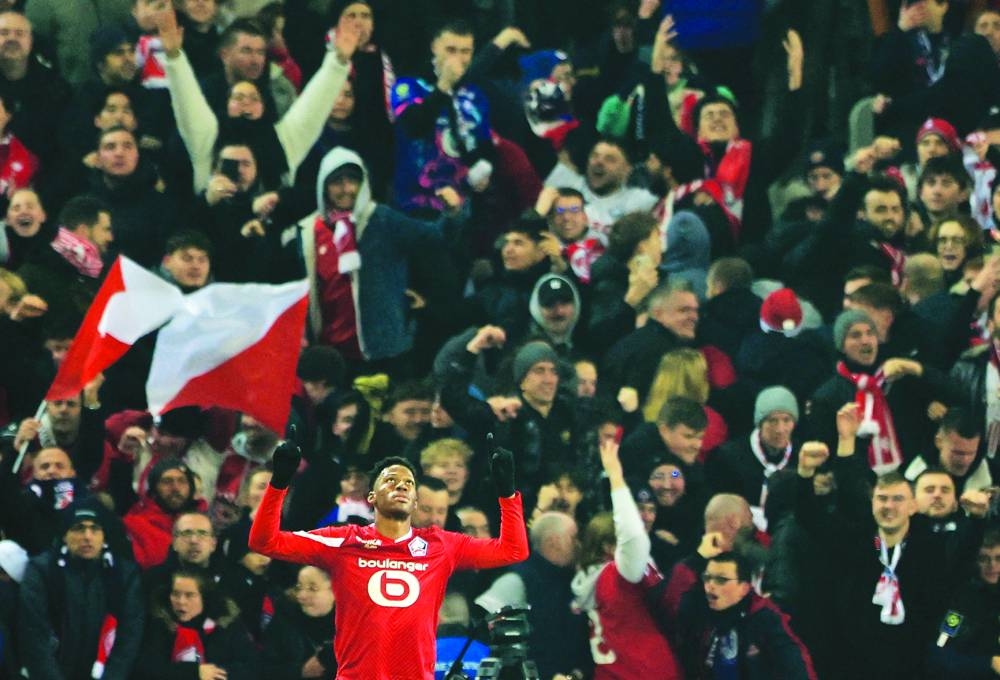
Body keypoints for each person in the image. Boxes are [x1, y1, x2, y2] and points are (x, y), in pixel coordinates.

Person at [248, 440, 528, 680]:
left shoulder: (441, 545)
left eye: (408, 483)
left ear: (415, 500)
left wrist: (508, 494)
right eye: (390, 480)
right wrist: (279, 484)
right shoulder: (344, 540)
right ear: (372, 496)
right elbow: (264, 541)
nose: (401, 486)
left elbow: (514, 550)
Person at [570, 438, 681, 678]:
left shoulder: (590, 579)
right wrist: (616, 479)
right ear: (610, 546)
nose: (646, 518)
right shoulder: (616, 574)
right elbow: (633, 537)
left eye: (651, 510)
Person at [18, 499, 144, 680]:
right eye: (78, 528)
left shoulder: (124, 574)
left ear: (104, 536)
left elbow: (129, 638)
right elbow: (34, 636)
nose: (87, 536)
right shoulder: (42, 571)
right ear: (64, 535)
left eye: (95, 529)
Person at [675, 550, 817, 679]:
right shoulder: (697, 611)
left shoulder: (765, 618)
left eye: (721, 580)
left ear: (744, 588)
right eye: (707, 578)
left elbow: (795, 665)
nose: (710, 585)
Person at [138, 567, 259, 680]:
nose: (181, 601)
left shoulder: (226, 624)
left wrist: (215, 674)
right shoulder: (160, 623)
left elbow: (250, 666)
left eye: (190, 595)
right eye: (175, 594)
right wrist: (195, 672)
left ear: (205, 597)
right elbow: (149, 668)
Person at [260, 564, 337, 679]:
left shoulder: (356, 622)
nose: (302, 595)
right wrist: (300, 671)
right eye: (299, 587)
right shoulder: (284, 620)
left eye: (312, 588)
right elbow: (264, 670)